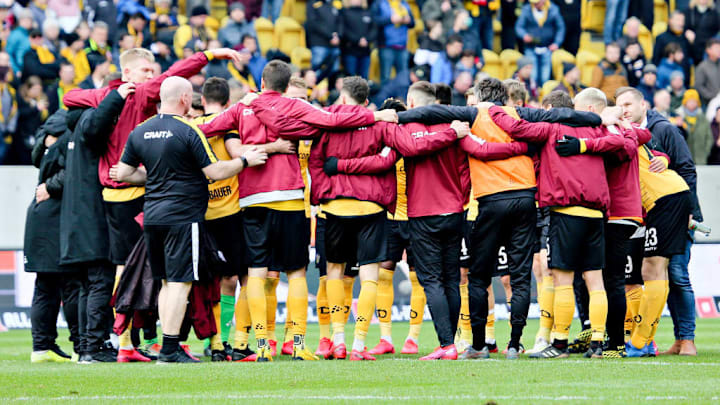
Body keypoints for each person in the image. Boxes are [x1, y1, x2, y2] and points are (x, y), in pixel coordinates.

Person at [198, 60, 397, 361]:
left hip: (252, 199)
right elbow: (333, 119)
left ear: (262, 82)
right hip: (291, 198)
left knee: (256, 273)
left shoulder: (241, 107)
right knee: (296, 273)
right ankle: (299, 343)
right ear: (286, 84)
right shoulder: (294, 106)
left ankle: (261, 346)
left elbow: (205, 128)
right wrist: (376, 114)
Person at [63, 47, 243, 361]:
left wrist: (110, 96)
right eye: (146, 70)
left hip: (123, 197)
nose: (151, 76)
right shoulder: (144, 95)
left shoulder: (123, 110)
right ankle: (156, 343)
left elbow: (70, 97)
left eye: (152, 71)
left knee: (137, 272)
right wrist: (208, 54)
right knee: (164, 276)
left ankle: (129, 342)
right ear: (127, 73)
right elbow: (175, 74)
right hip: (145, 199)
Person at [114, 76, 267, 363]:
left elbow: (122, 173)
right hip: (183, 216)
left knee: (165, 282)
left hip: (153, 216)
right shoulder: (188, 130)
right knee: (180, 282)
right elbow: (215, 172)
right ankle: (170, 349)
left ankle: (167, 346)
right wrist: (245, 161)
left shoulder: (140, 130)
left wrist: (155, 177)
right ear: (185, 98)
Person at [489, 88, 631, 358]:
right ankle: (598, 343)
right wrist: (588, 142)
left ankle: (560, 344)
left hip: (565, 212)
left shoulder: (552, 128)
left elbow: (516, 128)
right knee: (595, 280)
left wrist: (493, 109)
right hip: (595, 215)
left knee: (562, 280)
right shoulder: (599, 130)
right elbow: (619, 143)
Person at [618, 86, 703, 357]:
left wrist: (691, 212)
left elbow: (686, 168)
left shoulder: (663, 128)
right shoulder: (629, 131)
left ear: (643, 104)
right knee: (652, 272)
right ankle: (651, 341)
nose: (624, 110)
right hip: (652, 210)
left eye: (628, 104)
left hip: (674, 206)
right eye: (620, 106)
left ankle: (684, 339)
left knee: (674, 273)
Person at [25, 110, 81, 363]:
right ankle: (81, 345)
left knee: (45, 286)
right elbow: (74, 171)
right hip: (58, 215)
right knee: (70, 284)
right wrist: (52, 186)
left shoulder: (45, 135)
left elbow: (39, 160)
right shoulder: (72, 136)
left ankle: (42, 347)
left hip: (40, 215)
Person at [515, 0, 565, 86]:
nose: (535, 4)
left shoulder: (553, 9)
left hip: (547, 47)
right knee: (532, 75)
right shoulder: (527, 9)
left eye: (537, 2)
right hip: (531, 47)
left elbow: (560, 27)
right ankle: (534, 92)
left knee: (545, 76)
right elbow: (519, 26)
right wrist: (524, 35)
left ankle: (543, 91)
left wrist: (556, 43)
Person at [373, 0, 415, 84]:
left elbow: (412, 23)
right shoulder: (380, 3)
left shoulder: (404, 3)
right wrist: (390, 19)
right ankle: (385, 93)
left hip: (402, 46)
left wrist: (408, 20)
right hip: (386, 46)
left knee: (403, 77)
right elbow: (374, 21)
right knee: (386, 77)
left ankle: (402, 93)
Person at [11, 76, 48, 165]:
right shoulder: (20, 99)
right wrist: (36, 108)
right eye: (34, 89)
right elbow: (19, 114)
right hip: (23, 135)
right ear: (28, 88)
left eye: (39, 89)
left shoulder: (42, 99)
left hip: (36, 134)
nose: (37, 92)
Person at [305, 0, 342, 83]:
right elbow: (312, 23)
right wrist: (330, 36)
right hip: (319, 43)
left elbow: (341, 21)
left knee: (334, 72)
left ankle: (330, 91)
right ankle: (315, 90)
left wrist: (338, 35)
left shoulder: (336, 3)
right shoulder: (312, 3)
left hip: (334, 44)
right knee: (317, 72)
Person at [675, 89, 713, 165]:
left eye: (694, 101)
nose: (692, 103)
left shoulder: (703, 119)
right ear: (685, 102)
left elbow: (709, 138)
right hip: (684, 160)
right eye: (690, 101)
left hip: (701, 159)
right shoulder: (679, 117)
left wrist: (706, 152)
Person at [340, 0, 376, 79]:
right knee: (350, 78)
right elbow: (343, 30)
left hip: (365, 51)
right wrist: (357, 40)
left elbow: (374, 29)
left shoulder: (368, 12)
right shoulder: (344, 12)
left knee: (364, 78)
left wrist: (367, 39)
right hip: (350, 50)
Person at [653, 11, 692, 79]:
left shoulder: (686, 38)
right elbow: (656, 60)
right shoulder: (661, 38)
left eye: (682, 20)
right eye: (678, 20)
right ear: (670, 21)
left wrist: (692, 42)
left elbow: (694, 58)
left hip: (684, 79)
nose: (680, 23)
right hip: (666, 79)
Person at [684, 0, 720, 65]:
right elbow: (684, 27)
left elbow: (716, 29)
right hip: (693, 46)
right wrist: (687, 32)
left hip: (707, 46)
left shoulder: (714, 13)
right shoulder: (689, 12)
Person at [7, 8, 33, 75]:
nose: (29, 22)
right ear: (21, 20)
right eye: (27, 19)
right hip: (20, 70)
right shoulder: (15, 34)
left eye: (30, 20)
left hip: (28, 68)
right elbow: (9, 53)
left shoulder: (29, 33)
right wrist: (16, 70)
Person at [694, 38, 720, 107]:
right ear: (708, 50)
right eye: (716, 48)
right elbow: (699, 86)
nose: (719, 50)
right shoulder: (702, 67)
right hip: (708, 104)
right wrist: (713, 96)